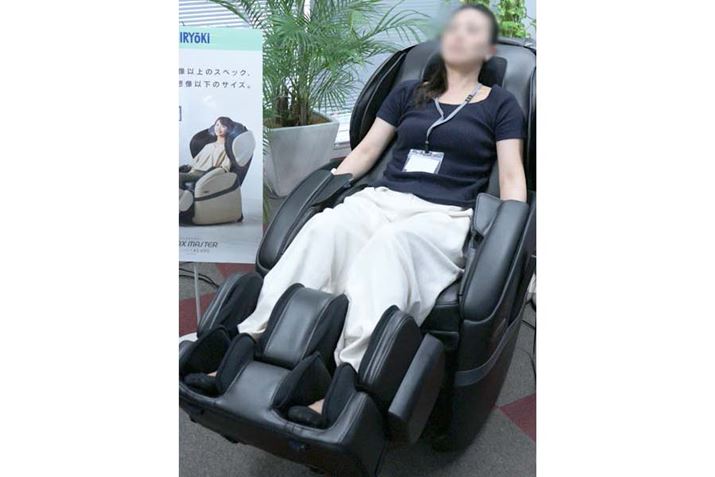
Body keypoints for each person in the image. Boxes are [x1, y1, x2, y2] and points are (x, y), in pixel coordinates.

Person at [239, 4, 527, 402]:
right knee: (325, 228)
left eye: (472, 30)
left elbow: (511, 175)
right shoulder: (409, 93)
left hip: (441, 214)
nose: (459, 35)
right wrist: (325, 192)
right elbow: (366, 150)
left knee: (390, 246)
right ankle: (250, 340)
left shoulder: (501, 104)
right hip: (382, 199)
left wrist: (512, 234)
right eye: (454, 28)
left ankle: (349, 380)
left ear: (489, 49)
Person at [179, 116, 235, 188]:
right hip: (194, 171)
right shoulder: (208, 146)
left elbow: (225, 168)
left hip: (205, 175)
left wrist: (210, 173)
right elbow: (194, 162)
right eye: (217, 125)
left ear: (229, 129)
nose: (218, 128)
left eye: (223, 126)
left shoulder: (228, 148)